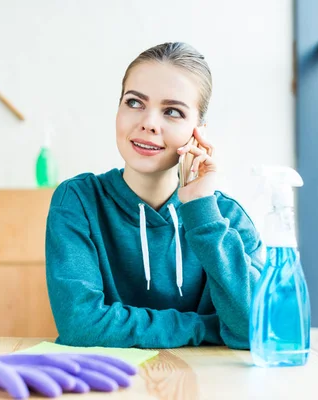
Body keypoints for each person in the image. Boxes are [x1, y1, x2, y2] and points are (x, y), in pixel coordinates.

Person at [45, 42, 264, 349]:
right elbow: (80, 325)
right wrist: (207, 328)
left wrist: (201, 210)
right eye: (134, 103)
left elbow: (257, 326)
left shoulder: (225, 218)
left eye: (172, 111)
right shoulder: (77, 201)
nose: (148, 123)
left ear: (198, 131)